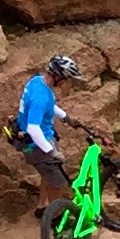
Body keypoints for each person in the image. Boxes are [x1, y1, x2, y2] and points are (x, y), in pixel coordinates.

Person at [16, 54, 85, 228]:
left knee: (47, 173)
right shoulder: (40, 97)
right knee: (58, 181)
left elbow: (49, 105)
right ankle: (56, 218)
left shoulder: (38, 81)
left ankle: (42, 207)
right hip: (37, 144)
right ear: (58, 76)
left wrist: (65, 117)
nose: (67, 82)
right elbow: (33, 128)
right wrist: (50, 151)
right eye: (67, 78)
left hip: (39, 140)